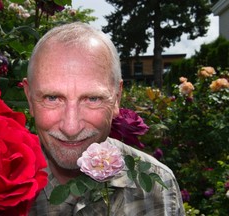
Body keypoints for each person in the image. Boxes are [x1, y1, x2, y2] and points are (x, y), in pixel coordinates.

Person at [23, 22, 185, 215]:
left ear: (117, 98)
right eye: (52, 98)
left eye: (92, 99)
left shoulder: (159, 187)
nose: (71, 127)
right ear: (29, 98)